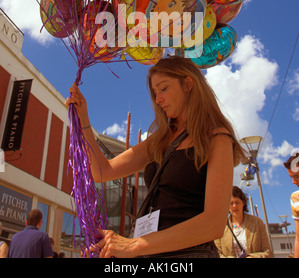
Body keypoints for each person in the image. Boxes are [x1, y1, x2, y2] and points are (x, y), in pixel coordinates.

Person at [66, 55, 245, 258]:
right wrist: (83, 121)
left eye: (164, 88)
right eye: (154, 92)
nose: (158, 99)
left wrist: (133, 246)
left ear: (188, 84)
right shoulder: (159, 140)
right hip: (150, 253)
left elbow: (213, 224)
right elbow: (101, 171)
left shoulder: (217, 138)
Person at [214, 186, 273, 258]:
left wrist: (251, 257)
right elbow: (217, 254)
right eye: (231, 203)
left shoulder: (257, 223)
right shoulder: (220, 226)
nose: (234, 206)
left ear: (243, 203)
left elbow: (268, 252)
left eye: (237, 202)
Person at [283, 149, 299, 258]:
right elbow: (298, 238)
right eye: (291, 177)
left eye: (297, 176)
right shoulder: (295, 198)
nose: (293, 182)